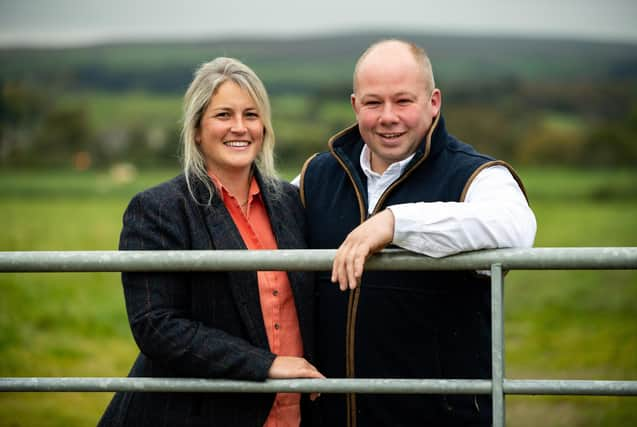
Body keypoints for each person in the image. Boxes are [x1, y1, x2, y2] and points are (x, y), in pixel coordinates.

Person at [298, 39, 536, 426]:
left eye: (403, 101)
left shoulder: (476, 174)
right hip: (332, 415)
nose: (388, 116)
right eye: (374, 103)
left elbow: (516, 227)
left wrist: (395, 223)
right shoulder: (316, 177)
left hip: (442, 417)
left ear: (434, 102)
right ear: (355, 105)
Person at [98, 57, 324, 427]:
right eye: (223, 115)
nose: (240, 127)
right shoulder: (158, 208)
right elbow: (156, 326)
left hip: (293, 412)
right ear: (197, 129)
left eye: (251, 115)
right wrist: (265, 366)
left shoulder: (290, 203)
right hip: (201, 414)